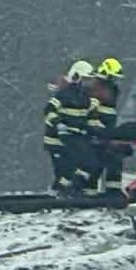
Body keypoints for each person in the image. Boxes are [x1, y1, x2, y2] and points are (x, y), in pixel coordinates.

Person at [42, 62, 95, 196]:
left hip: (71, 139)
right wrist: (58, 123)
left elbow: (85, 118)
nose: (87, 83)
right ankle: (59, 194)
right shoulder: (63, 94)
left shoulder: (84, 97)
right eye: (85, 79)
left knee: (80, 166)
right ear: (76, 76)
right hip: (55, 140)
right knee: (64, 171)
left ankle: (66, 192)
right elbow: (49, 111)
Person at [84, 57, 126, 194]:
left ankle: (113, 192)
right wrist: (96, 129)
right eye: (113, 77)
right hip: (94, 134)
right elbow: (89, 112)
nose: (114, 80)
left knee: (115, 159)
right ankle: (88, 194)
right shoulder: (94, 88)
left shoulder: (112, 89)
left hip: (107, 133)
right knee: (94, 165)